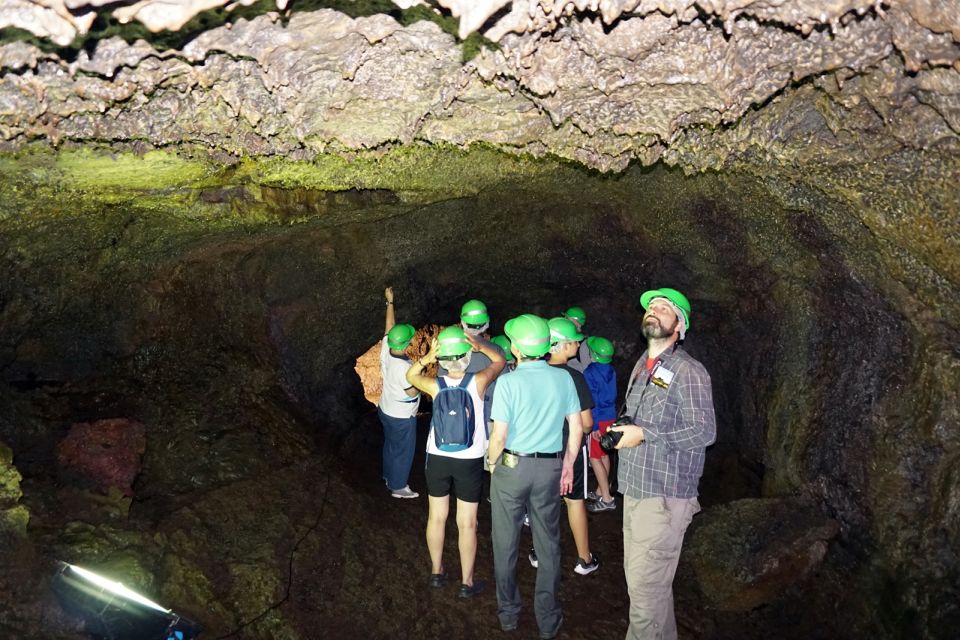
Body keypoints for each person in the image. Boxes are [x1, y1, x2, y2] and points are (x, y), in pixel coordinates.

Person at [608, 288, 716, 640]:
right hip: (636, 488)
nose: (654, 310)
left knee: (644, 594)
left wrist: (645, 434)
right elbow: (640, 419)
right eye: (651, 306)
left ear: (680, 326)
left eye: (665, 308)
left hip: (665, 497)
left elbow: (704, 431)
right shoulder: (644, 364)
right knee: (648, 588)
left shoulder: (689, 370)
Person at [487, 314, 583, 639]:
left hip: (512, 468)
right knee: (548, 544)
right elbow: (577, 428)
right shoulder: (563, 379)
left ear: (514, 348)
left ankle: (509, 614)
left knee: (505, 543)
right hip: (550, 469)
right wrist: (568, 465)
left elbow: (498, 437)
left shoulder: (508, 382)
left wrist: (490, 463)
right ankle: (548, 620)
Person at [406, 326, 505, 597]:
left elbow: (410, 375)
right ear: (466, 356)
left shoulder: (434, 385)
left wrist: (428, 358)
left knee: (436, 517)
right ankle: (466, 582)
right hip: (469, 460)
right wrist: (480, 344)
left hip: (437, 457)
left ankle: (437, 572)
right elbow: (501, 360)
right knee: (467, 522)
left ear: (443, 359)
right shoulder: (478, 381)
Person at [528, 317, 600, 576]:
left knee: (542, 501)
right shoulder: (574, 377)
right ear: (562, 345)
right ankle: (584, 559)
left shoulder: (531, 372)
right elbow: (588, 424)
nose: (578, 344)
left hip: (540, 447)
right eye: (574, 341)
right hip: (570, 448)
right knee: (574, 501)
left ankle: (538, 551)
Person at [377, 287, 421, 499]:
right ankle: (398, 486)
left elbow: (389, 328)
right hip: (401, 417)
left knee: (390, 445)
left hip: (385, 409)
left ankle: (388, 475)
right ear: (407, 344)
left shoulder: (387, 348)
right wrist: (421, 373)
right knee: (403, 451)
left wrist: (390, 302)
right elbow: (412, 391)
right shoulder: (404, 368)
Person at [584, 336, 618, 513]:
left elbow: (592, 400)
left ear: (594, 355)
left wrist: (595, 426)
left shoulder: (590, 372)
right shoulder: (611, 370)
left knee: (594, 458)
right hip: (610, 417)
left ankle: (607, 498)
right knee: (605, 454)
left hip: (598, 419)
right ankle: (600, 490)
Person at [563, 306, 592, 373]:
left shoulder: (584, 344)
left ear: (576, 322)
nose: (564, 320)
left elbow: (587, 372)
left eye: (567, 318)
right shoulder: (561, 338)